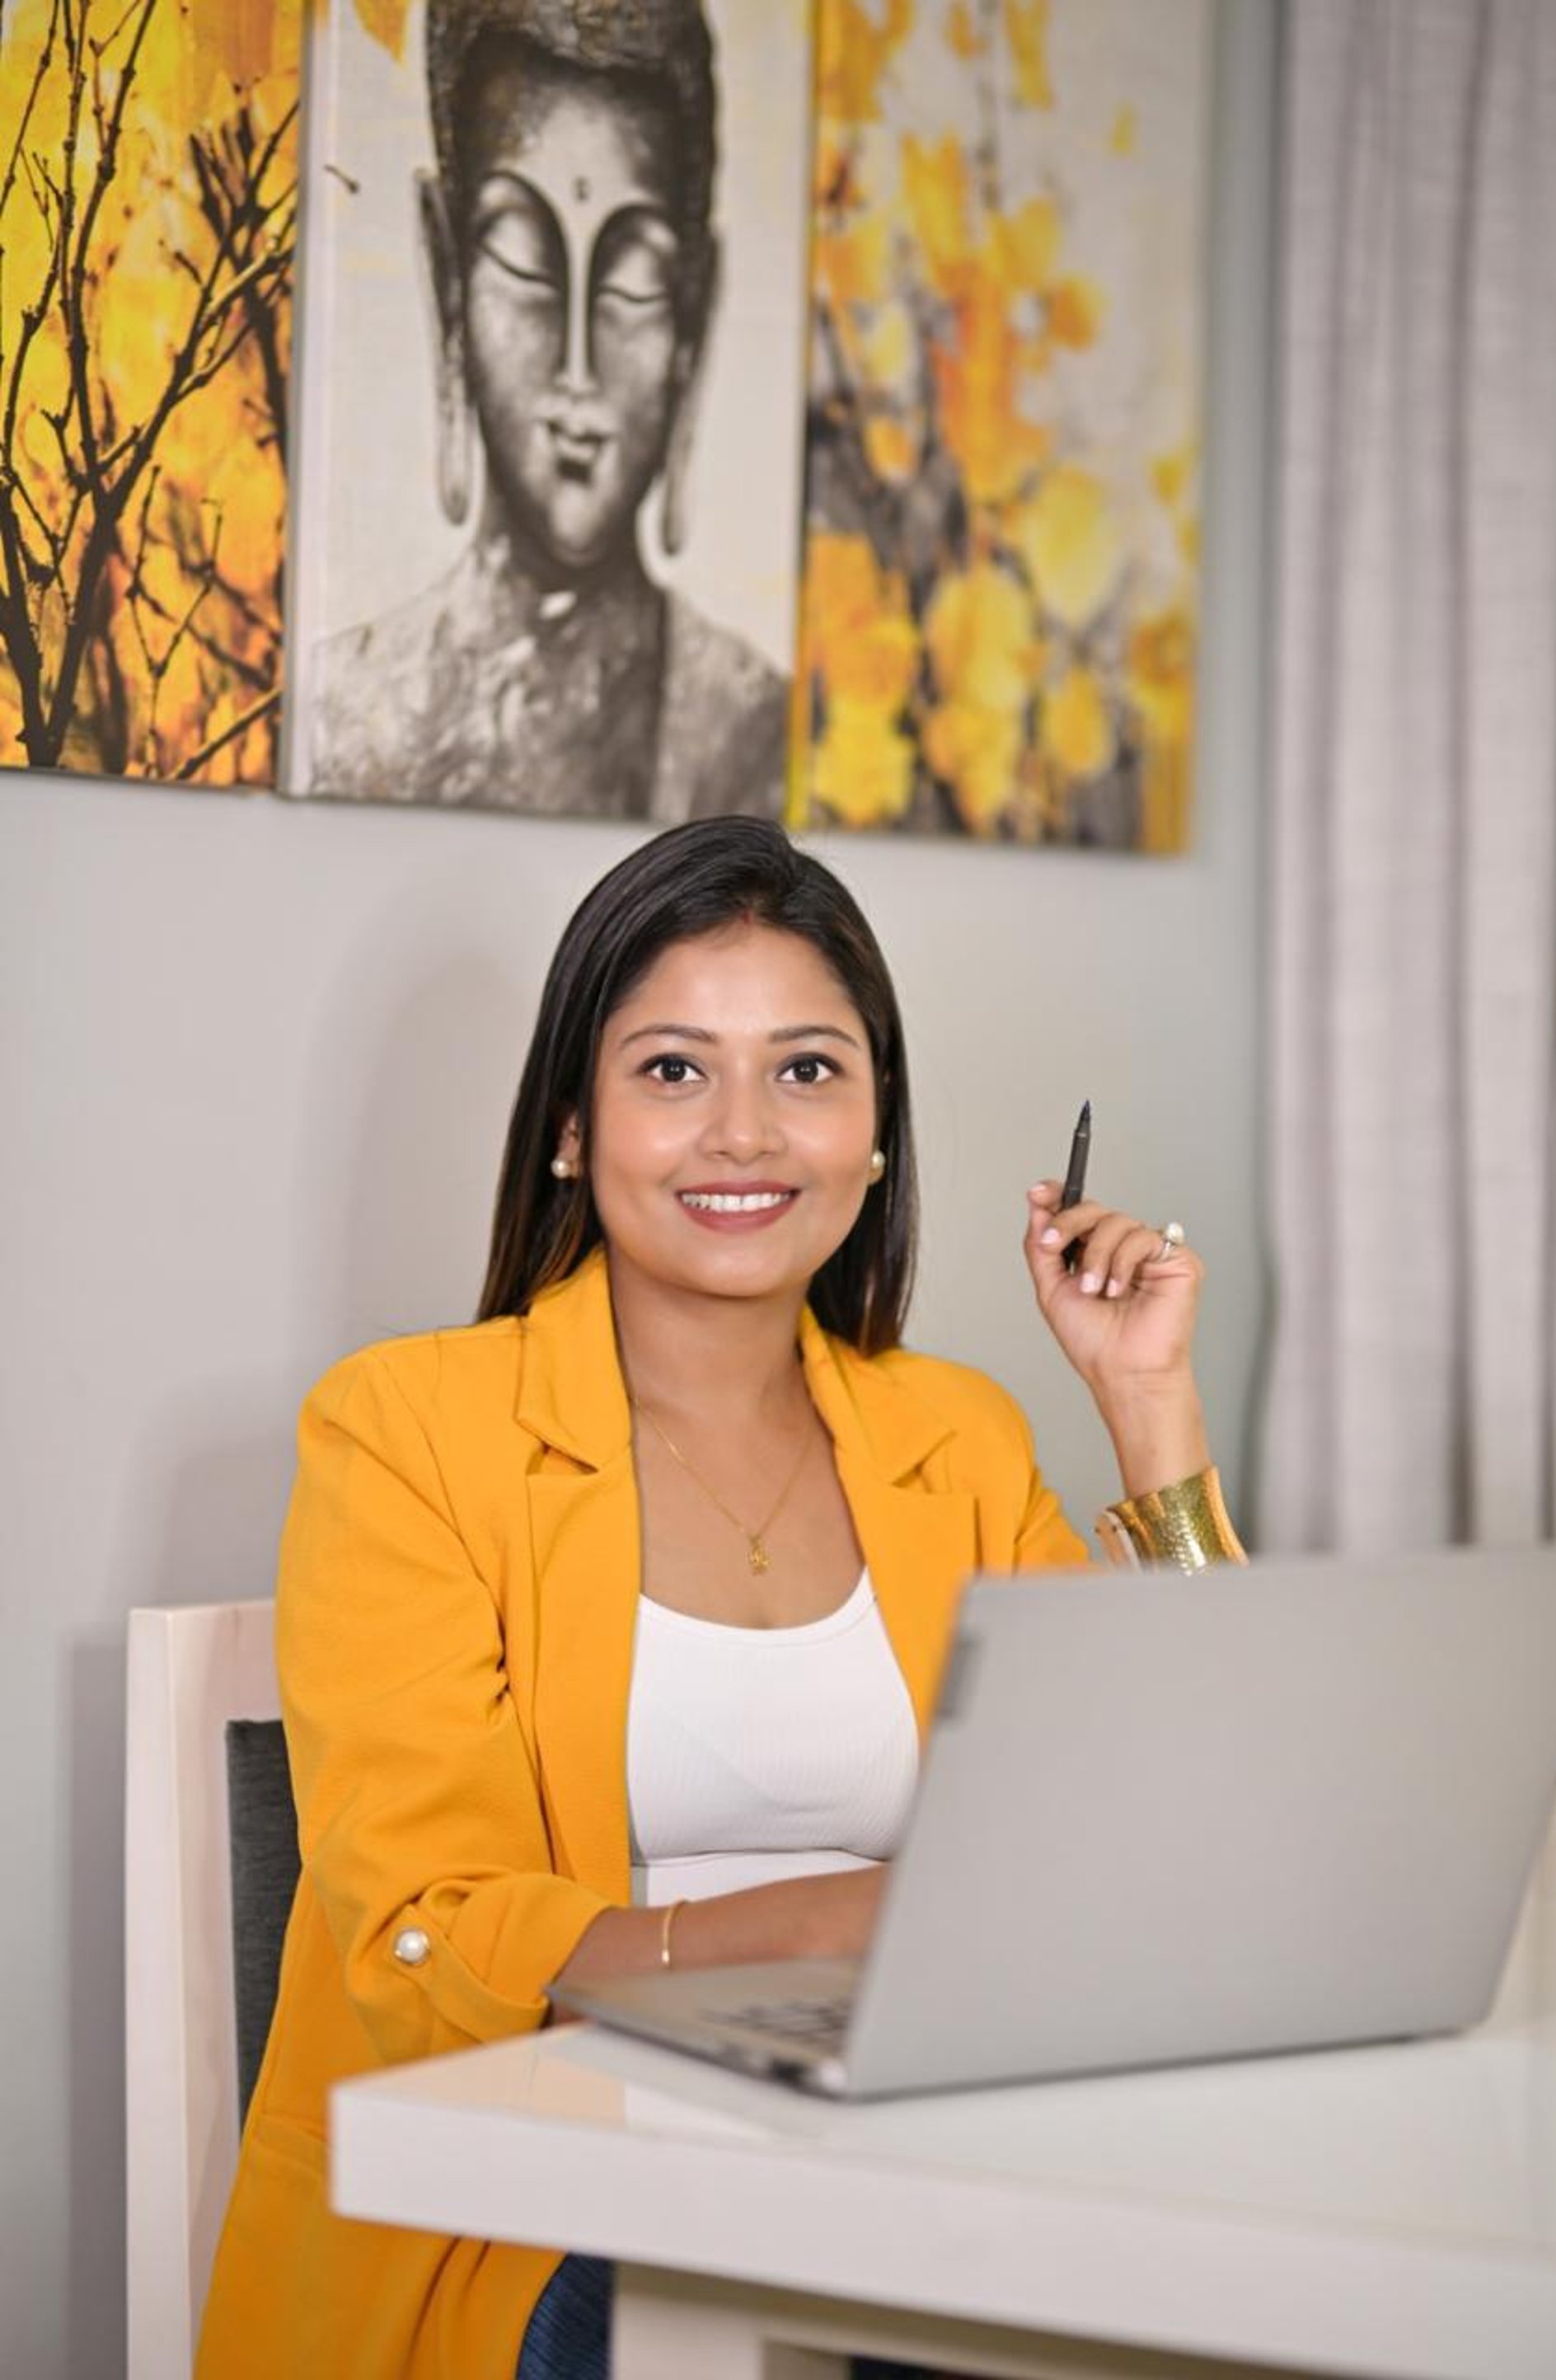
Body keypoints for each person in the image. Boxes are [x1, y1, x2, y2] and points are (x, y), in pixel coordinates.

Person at [196, 817, 1243, 2380]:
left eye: (808, 1069)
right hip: (555, 2207)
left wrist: (1149, 1406)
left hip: (929, 2138)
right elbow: (428, 1929)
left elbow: (1196, 1821)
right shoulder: (404, 1429)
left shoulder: (953, 1437)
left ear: (878, 1130)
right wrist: (837, 1930)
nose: (745, 1131)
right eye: (675, 1069)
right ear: (570, 1126)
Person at [311, 0, 787, 820]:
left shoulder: (750, 730)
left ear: (693, 313)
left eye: (634, 283)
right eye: (526, 264)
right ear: (447, 270)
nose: (576, 367)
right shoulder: (345, 708)